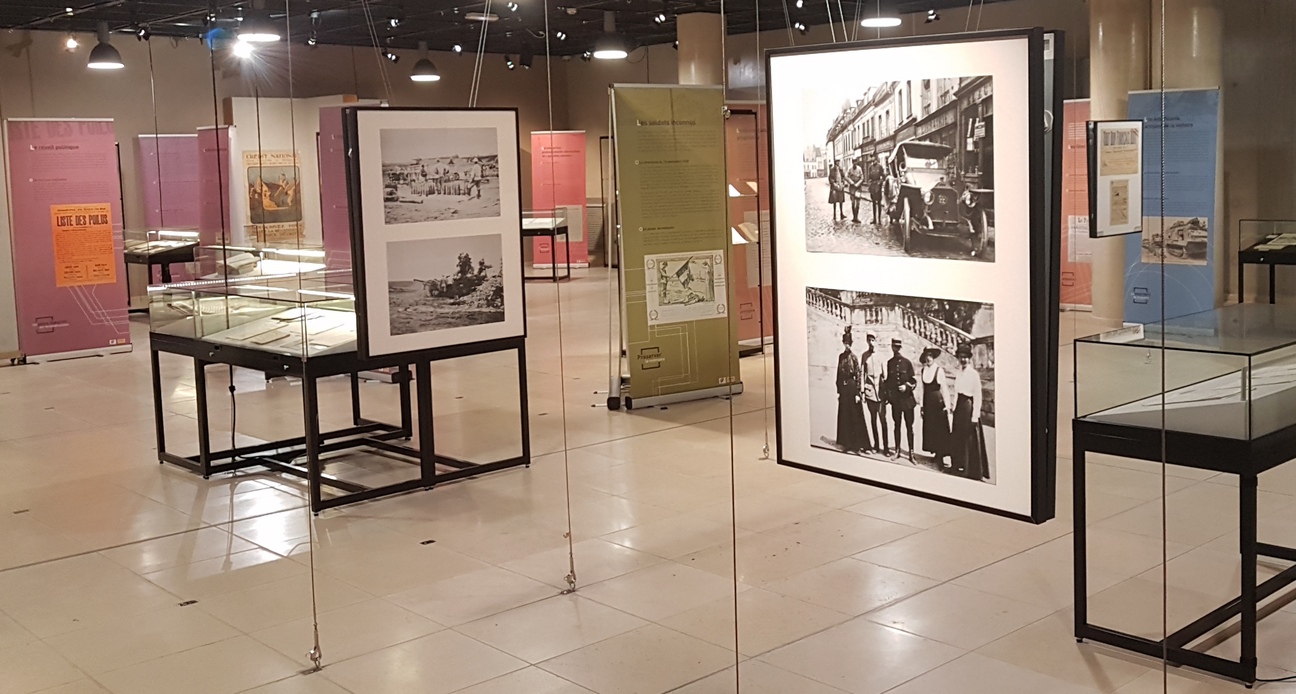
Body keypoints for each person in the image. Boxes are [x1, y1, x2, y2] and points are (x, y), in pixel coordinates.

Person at [950, 343, 990, 480]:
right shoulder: (959, 373)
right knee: (958, 437)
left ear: (969, 358)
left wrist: (975, 416)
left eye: (965, 357)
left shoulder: (973, 374)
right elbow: (956, 391)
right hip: (959, 408)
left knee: (969, 439)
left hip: (968, 407)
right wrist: (954, 407)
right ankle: (958, 466)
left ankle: (971, 470)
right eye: (961, 357)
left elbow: (977, 395)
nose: (963, 360)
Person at [834, 327, 870, 455]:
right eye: (845, 343)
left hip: (852, 388)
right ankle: (847, 443)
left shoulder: (854, 357)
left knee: (855, 416)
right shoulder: (841, 357)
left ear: (852, 344)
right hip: (844, 390)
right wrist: (839, 390)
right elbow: (838, 374)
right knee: (845, 416)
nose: (847, 346)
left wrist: (857, 393)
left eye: (849, 343)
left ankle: (858, 445)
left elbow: (858, 375)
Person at [918, 347, 952, 469]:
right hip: (928, 404)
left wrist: (947, 406)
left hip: (937, 403)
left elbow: (944, 388)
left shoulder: (939, 370)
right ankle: (935, 453)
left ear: (933, 357)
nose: (928, 358)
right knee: (930, 428)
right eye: (927, 356)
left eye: (931, 355)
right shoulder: (923, 371)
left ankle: (941, 457)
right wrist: (921, 406)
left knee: (939, 429)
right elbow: (922, 389)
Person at [884, 338, 917, 462]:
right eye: (894, 347)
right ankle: (897, 450)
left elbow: (914, 381)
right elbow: (888, 382)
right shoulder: (889, 363)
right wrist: (887, 396)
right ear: (892, 347)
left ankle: (911, 453)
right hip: (896, 401)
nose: (896, 349)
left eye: (898, 347)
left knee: (909, 427)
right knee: (896, 425)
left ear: (900, 348)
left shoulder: (907, 363)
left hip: (907, 401)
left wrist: (906, 387)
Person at [861, 332, 888, 455]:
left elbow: (885, 376)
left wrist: (886, 394)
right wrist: (862, 390)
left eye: (873, 340)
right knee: (873, 420)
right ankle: (876, 445)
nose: (871, 343)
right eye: (869, 340)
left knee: (883, 421)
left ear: (876, 341)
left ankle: (886, 448)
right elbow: (862, 373)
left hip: (880, 393)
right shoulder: (864, 356)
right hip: (870, 392)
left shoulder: (881, 356)